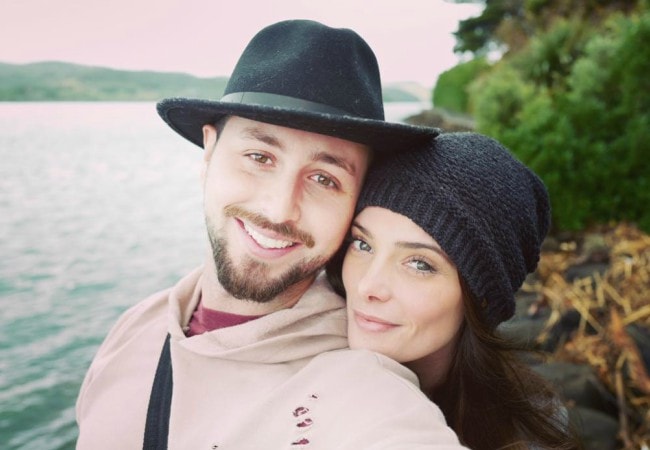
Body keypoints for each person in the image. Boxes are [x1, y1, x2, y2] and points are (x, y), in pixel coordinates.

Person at [75, 19, 467, 449]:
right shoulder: (134, 328)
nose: (280, 208)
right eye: (259, 156)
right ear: (209, 152)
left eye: (324, 179)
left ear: (356, 199)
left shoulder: (365, 389)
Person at [327, 132, 582, 450]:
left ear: (481, 297)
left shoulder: (525, 436)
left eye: (419, 264)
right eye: (363, 244)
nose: (367, 286)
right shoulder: (295, 352)